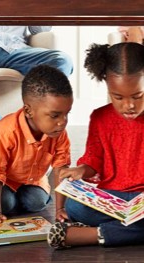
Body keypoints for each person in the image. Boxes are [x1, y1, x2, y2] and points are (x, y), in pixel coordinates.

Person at [47, 42, 144, 249]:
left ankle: (92, 234)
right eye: (118, 97)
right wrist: (81, 170)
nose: (129, 105)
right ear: (107, 86)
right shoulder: (100, 117)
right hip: (112, 197)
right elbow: (94, 159)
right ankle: (125, 229)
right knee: (75, 206)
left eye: (138, 96)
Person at [0, 64, 73, 224]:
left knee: (37, 203)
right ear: (28, 111)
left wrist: (61, 209)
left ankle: (15, 196)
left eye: (66, 114)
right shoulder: (5, 131)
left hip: (30, 178)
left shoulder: (58, 133)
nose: (62, 122)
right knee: (5, 204)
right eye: (55, 115)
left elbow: (61, 170)